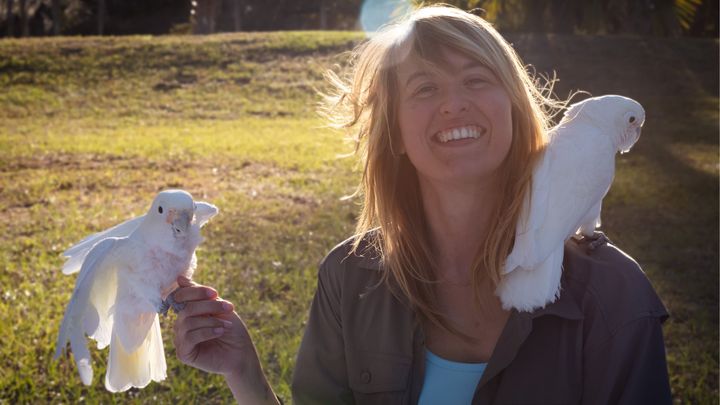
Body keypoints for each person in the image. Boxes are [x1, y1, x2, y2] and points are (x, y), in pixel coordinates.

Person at [171, 5, 672, 404]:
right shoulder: (349, 276)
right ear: (395, 132)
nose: (453, 103)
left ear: (515, 108)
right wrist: (246, 376)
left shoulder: (613, 295)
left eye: (476, 79)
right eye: (426, 87)